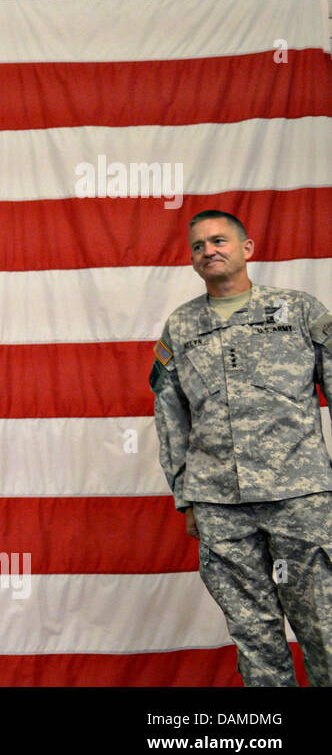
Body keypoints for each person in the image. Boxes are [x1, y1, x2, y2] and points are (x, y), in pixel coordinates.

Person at [151, 209, 332, 687]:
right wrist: (186, 498)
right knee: (254, 636)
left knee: (324, 628)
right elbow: (170, 417)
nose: (208, 251)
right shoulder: (181, 326)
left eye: (219, 240)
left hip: (300, 498)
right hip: (219, 505)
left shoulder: (299, 311)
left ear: (247, 248)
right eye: (198, 246)